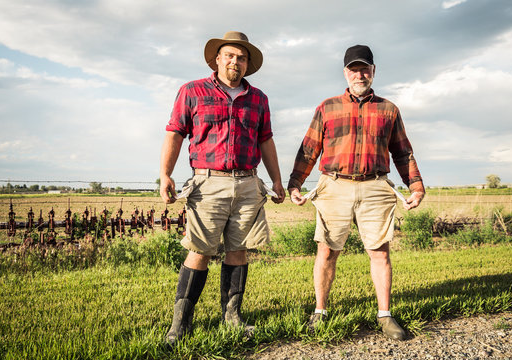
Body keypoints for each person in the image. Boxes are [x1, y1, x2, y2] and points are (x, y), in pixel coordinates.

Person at [287, 45, 425, 340]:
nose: (359, 74)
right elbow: (309, 149)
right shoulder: (327, 107)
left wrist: (415, 185)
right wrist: (296, 183)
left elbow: (402, 152)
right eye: (354, 69)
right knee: (326, 251)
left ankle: (385, 315)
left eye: (365, 69)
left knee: (379, 252)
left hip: (376, 186)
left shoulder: (389, 109)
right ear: (345, 73)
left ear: (374, 71)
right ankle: (320, 312)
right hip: (334, 185)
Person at [160, 31, 286, 346]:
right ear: (217, 58)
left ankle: (231, 317)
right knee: (199, 250)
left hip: (246, 181)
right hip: (207, 182)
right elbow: (175, 133)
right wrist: (165, 174)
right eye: (229, 55)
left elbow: (265, 139)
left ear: (247, 64)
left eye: (241, 57)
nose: (235, 61)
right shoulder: (192, 91)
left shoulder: (258, 98)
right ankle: (180, 325)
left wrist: (277, 180)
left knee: (239, 250)